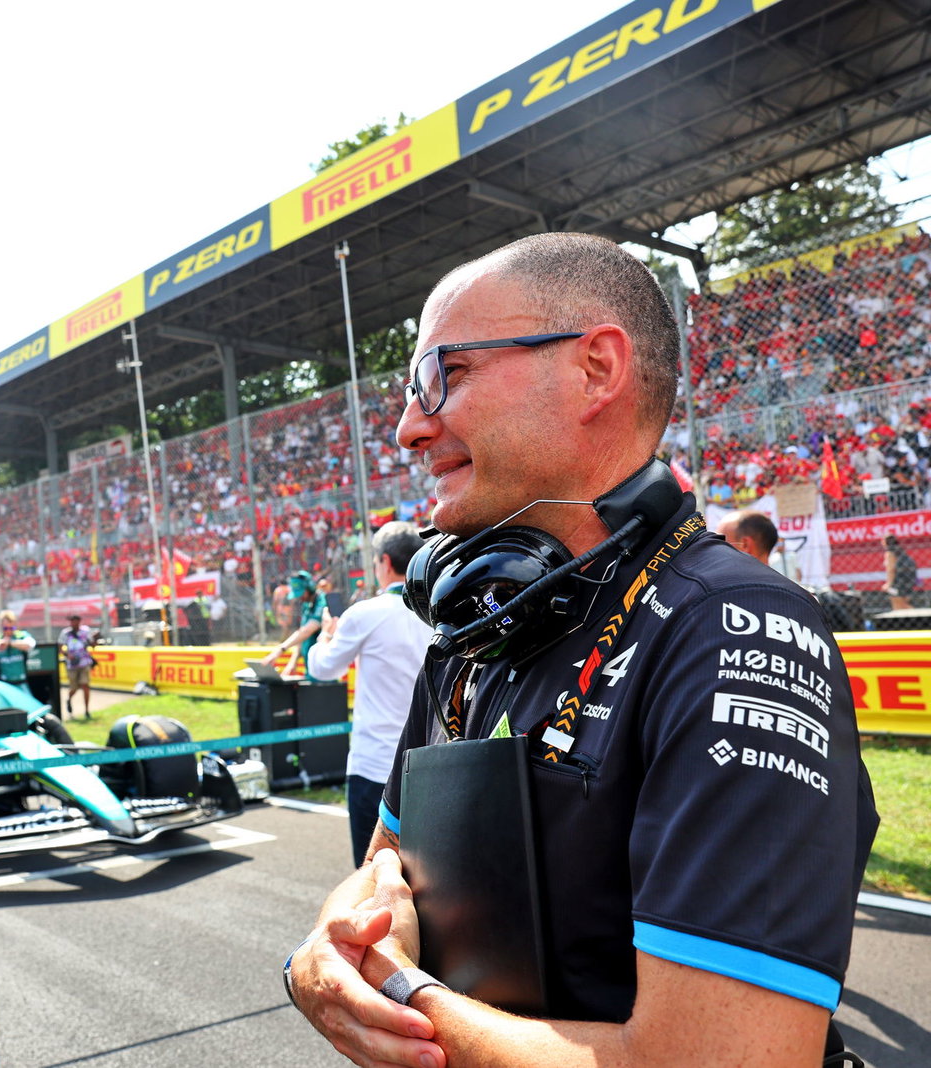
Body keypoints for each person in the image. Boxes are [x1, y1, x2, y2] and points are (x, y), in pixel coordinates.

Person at [287, 232, 876, 1067]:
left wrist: (396, 995)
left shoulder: (729, 628)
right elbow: (382, 870)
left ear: (596, 368)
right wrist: (325, 944)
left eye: (441, 376)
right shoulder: (472, 626)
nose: (407, 428)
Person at [304, 522, 430, 867]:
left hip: (375, 767)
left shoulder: (365, 613)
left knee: (371, 876)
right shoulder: (437, 611)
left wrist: (323, 639)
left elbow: (323, 669)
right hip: (429, 764)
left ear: (384, 562)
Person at [266, 570, 328, 678]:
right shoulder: (306, 605)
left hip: (323, 670)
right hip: (310, 669)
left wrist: (280, 650)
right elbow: (302, 637)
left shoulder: (322, 601)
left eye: (301, 593)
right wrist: (292, 663)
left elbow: (307, 630)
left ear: (310, 587)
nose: (300, 597)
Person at [0, 609, 37, 686]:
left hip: (21, 682)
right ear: (1, 626)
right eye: (6, 628)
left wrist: (10, 643)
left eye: (11, 628)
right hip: (4, 684)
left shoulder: (21, 636)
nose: (9, 631)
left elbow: (31, 644)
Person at [60, 614, 99, 719]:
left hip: (84, 662)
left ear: (79, 621)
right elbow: (60, 647)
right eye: (72, 621)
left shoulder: (85, 631)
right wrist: (68, 655)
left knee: (85, 685)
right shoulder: (66, 633)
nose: (73, 623)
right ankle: (69, 699)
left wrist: (95, 639)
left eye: (75, 621)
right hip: (72, 665)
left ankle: (86, 711)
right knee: (74, 687)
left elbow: (92, 645)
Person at [884, 533, 917, 610]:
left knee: (897, 603)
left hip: (898, 583)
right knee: (904, 603)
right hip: (908, 581)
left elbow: (891, 569)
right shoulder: (900, 550)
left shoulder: (890, 552)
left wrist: (888, 584)